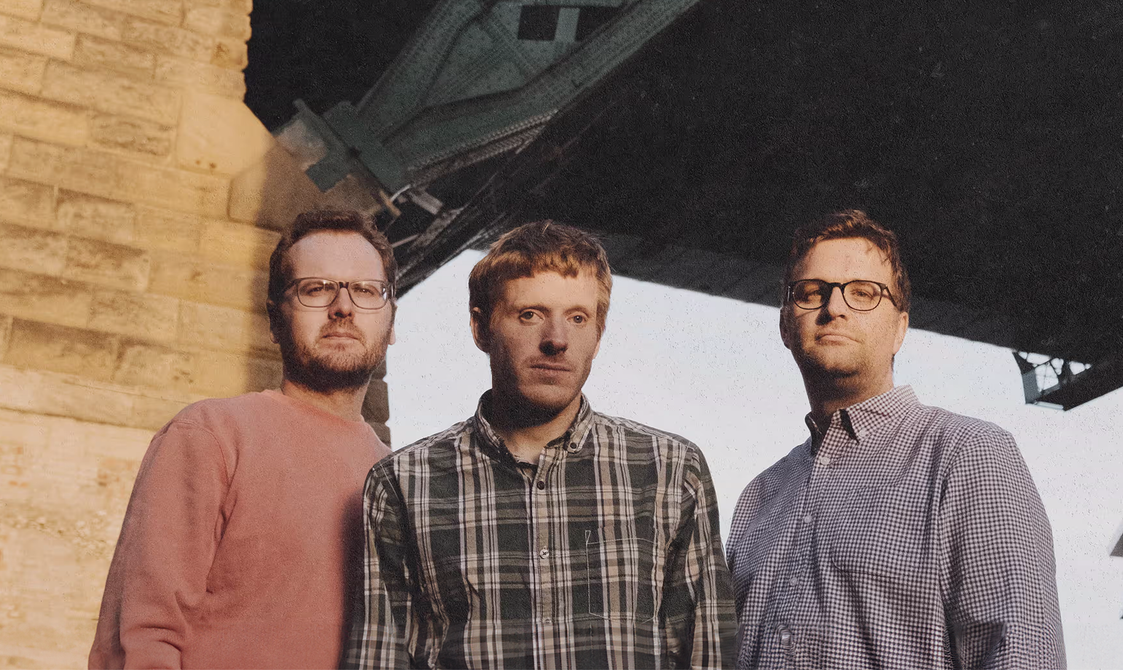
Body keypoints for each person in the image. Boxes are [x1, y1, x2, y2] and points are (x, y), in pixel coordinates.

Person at [343, 221, 736, 669]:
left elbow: (708, 656)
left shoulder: (671, 470)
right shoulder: (402, 483)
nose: (556, 340)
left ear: (598, 334)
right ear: (480, 328)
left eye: (578, 317)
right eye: (529, 314)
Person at [726, 210, 1065, 669]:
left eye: (863, 293)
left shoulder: (968, 456)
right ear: (786, 326)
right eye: (812, 292)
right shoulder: (759, 496)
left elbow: (1021, 654)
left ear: (900, 329)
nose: (835, 307)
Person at [89, 210, 398, 669]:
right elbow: (139, 638)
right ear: (275, 320)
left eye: (366, 290)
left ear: (392, 323)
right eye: (316, 289)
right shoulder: (211, 435)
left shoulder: (397, 477)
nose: (343, 307)